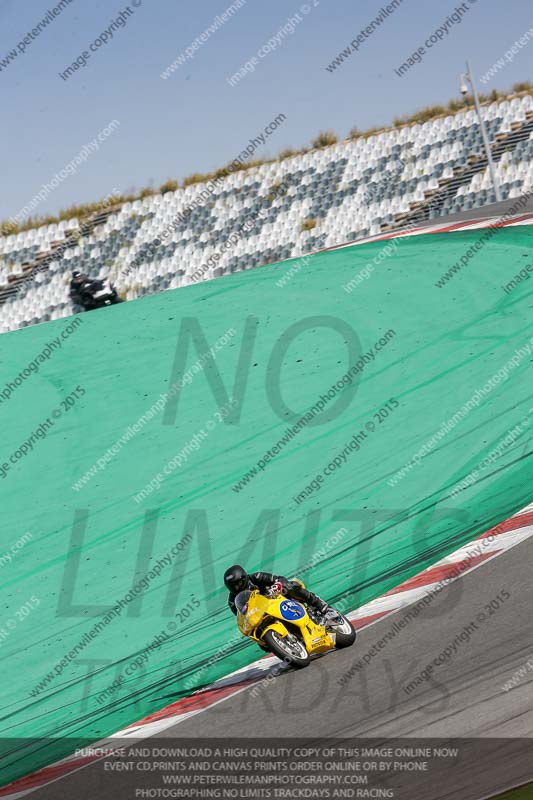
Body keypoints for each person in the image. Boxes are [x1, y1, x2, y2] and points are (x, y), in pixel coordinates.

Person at [223, 564, 331, 617]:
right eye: (233, 586)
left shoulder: (256, 577)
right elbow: (241, 616)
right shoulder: (232, 601)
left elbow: (278, 578)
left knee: (289, 586)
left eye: (238, 584)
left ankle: (317, 602)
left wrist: (278, 585)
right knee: (261, 643)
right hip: (264, 613)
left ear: (244, 578)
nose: (236, 588)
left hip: (277, 598)